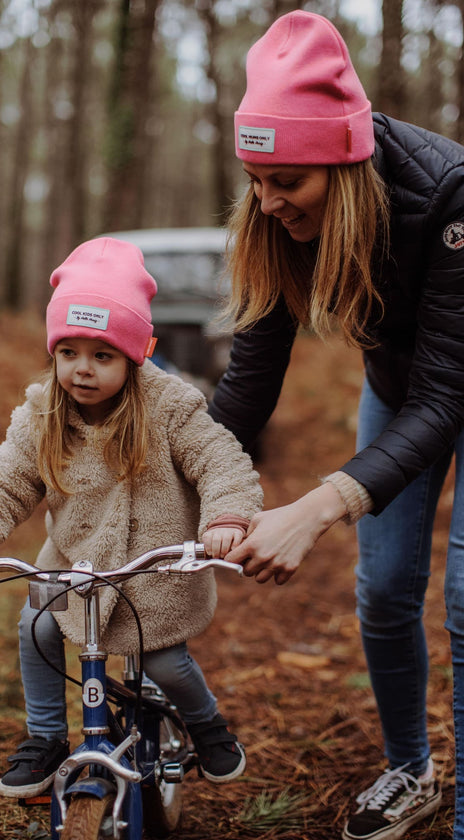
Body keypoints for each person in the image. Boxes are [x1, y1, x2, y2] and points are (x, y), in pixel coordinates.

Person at [207, 9, 464, 840]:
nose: (267, 200)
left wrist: (318, 507)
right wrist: (173, 484)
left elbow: (444, 396)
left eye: (287, 183)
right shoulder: (270, 212)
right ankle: (409, 770)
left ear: (345, 164)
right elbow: (249, 380)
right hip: (401, 383)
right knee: (385, 589)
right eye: (254, 179)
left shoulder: (450, 195)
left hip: (448, 384)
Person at [0, 236, 263, 798]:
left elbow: (221, 462)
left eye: (102, 356)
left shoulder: (171, 407)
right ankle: (45, 737)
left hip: (156, 577)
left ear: (137, 354)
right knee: (35, 628)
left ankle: (206, 724)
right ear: (53, 352)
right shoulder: (41, 415)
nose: (82, 370)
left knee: (165, 664)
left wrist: (227, 519)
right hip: (72, 571)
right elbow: (1, 484)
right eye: (69, 353)